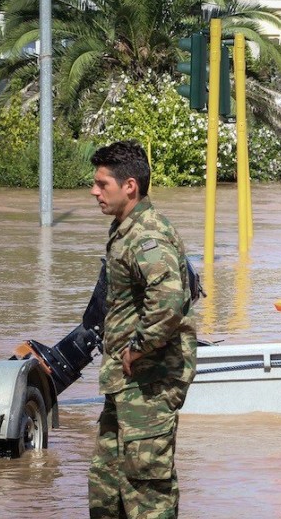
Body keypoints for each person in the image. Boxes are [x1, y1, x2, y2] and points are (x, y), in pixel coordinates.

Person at [87, 141, 197, 518]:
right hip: (126, 382)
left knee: (146, 490)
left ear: (129, 186)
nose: (94, 191)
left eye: (102, 184)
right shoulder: (126, 229)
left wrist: (137, 348)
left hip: (149, 380)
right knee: (107, 485)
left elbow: (167, 302)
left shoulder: (146, 235)